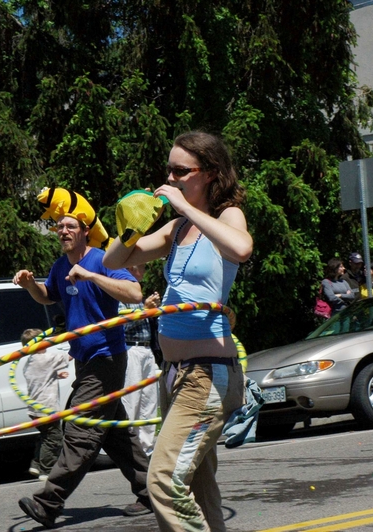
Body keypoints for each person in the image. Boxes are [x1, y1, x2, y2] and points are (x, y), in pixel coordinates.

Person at [104, 131, 252, 532]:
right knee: (200, 489)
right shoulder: (175, 230)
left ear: (210, 174)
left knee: (164, 480)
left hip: (207, 375)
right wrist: (133, 225)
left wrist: (185, 206)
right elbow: (114, 259)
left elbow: (240, 250)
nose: (170, 178)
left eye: (181, 171)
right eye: (168, 169)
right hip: (175, 374)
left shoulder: (226, 217)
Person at [15, 210, 152, 528]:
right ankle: (151, 491)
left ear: (84, 231)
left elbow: (134, 294)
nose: (62, 230)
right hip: (83, 358)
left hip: (107, 357)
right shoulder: (60, 266)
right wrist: (29, 285)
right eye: (58, 227)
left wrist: (92, 276)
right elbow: (48, 296)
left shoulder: (103, 260)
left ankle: (49, 502)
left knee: (82, 428)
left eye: (69, 226)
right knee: (114, 433)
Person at [119, 264, 161, 457]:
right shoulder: (123, 294)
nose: (145, 270)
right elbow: (120, 326)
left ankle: (147, 448)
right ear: (131, 268)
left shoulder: (138, 294)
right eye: (142, 266)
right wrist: (145, 309)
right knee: (132, 400)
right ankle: (130, 447)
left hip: (146, 349)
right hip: (131, 349)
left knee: (150, 400)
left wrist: (153, 310)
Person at [20, 327, 71, 482]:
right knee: (54, 438)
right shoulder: (46, 358)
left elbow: (41, 377)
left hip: (34, 408)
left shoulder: (30, 362)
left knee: (45, 435)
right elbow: (69, 357)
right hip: (47, 407)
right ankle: (46, 470)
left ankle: (36, 464)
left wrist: (55, 375)